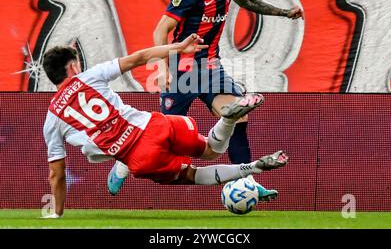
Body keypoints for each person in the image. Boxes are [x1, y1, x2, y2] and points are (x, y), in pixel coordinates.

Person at [108, 0, 302, 200]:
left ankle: (246, 181)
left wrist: (283, 12)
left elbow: (246, 1)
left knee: (237, 114)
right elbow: (161, 29)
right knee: (161, 135)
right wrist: (162, 68)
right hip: (182, 70)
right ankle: (124, 162)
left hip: (211, 67)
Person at [42, 34, 288, 218]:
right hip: (156, 124)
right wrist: (177, 48)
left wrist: (57, 212)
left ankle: (253, 167)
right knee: (213, 149)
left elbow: (57, 173)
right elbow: (139, 58)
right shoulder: (91, 76)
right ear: (74, 67)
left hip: (140, 156)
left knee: (194, 175)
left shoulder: (53, 117)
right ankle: (227, 119)